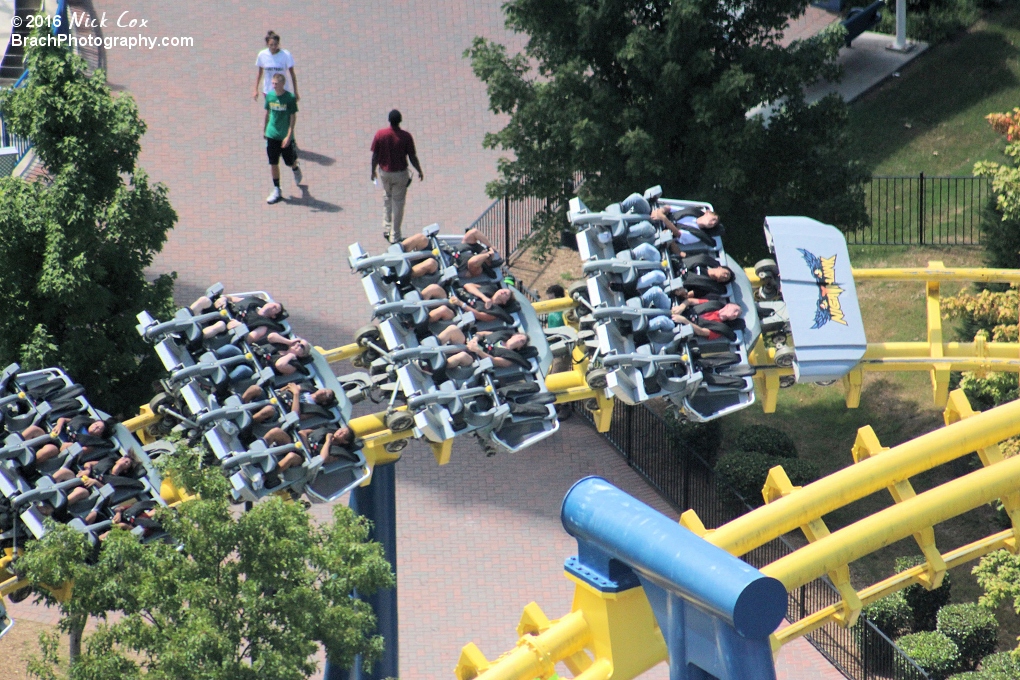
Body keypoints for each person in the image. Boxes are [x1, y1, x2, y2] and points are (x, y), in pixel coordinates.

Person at [371, 110, 424, 243]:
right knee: (398, 203)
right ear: (400, 120)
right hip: (400, 174)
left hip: (384, 173)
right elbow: (412, 157)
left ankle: (386, 227)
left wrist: (373, 171)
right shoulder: (406, 137)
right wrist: (419, 170)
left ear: (389, 120)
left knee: (387, 197)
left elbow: (375, 156)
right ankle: (395, 234)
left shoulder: (380, 134)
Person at [264, 73, 301, 205]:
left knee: (289, 161)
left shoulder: (289, 98)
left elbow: (292, 117)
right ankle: (277, 189)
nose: (273, 85)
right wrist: (265, 130)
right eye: (272, 83)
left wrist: (289, 135)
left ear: (282, 84)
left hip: (284, 136)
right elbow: (268, 113)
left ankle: (295, 167)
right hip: (272, 134)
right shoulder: (270, 96)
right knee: (273, 162)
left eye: (276, 83)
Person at [253, 30, 298, 102]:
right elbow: (259, 73)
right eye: (271, 45)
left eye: (276, 44)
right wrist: (255, 89)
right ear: (267, 44)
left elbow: (292, 74)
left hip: (283, 90)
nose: (274, 47)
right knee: (271, 112)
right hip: (268, 90)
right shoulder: (262, 55)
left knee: (283, 111)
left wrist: (295, 91)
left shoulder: (286, 55)